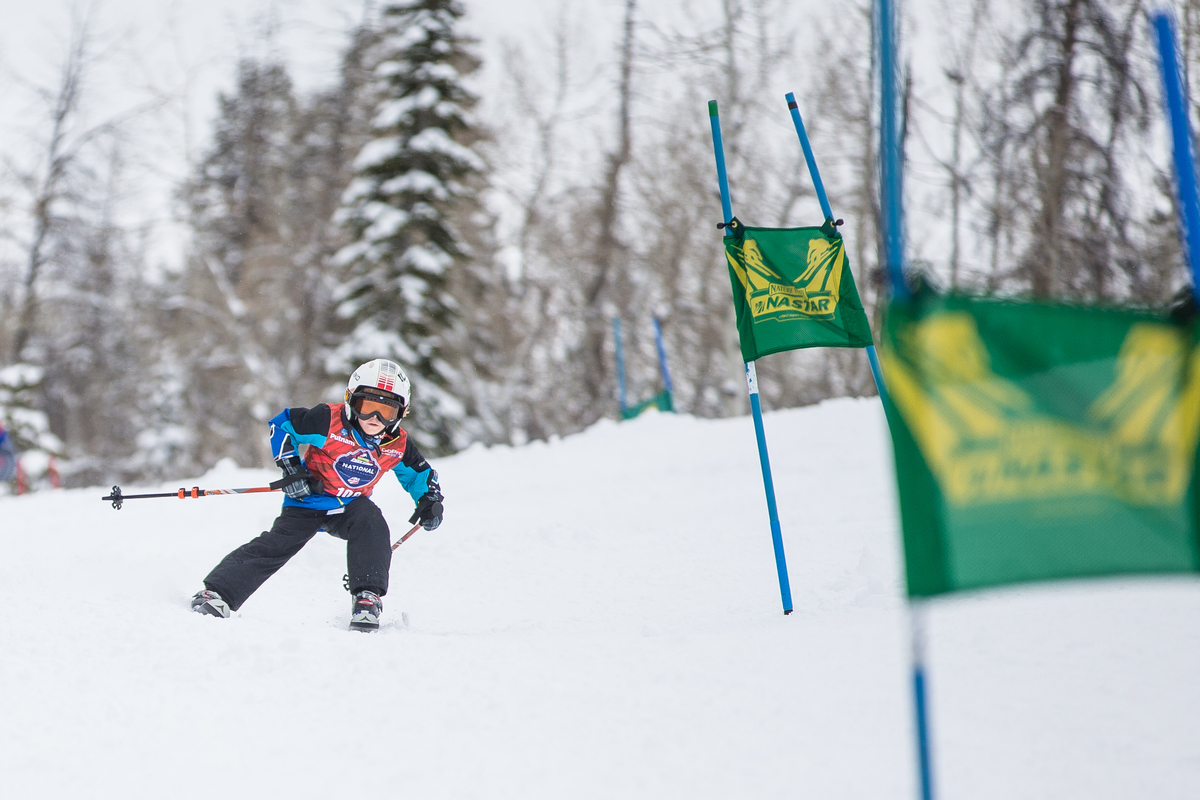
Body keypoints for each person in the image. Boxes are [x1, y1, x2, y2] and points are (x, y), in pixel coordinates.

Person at [191, 359, 444, 631]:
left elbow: (419, 474)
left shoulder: (397, 444)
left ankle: (367, 599)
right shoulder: (327, 421)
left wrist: (429, 500)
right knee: (280, 543)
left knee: (372, 522)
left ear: (401, 413)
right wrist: (292, 468)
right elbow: (283, 425)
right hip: (308, 499)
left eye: (386, 411)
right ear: (350, 401)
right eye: (367, 407)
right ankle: (218, 593)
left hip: (350, 507)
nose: (375, 419)